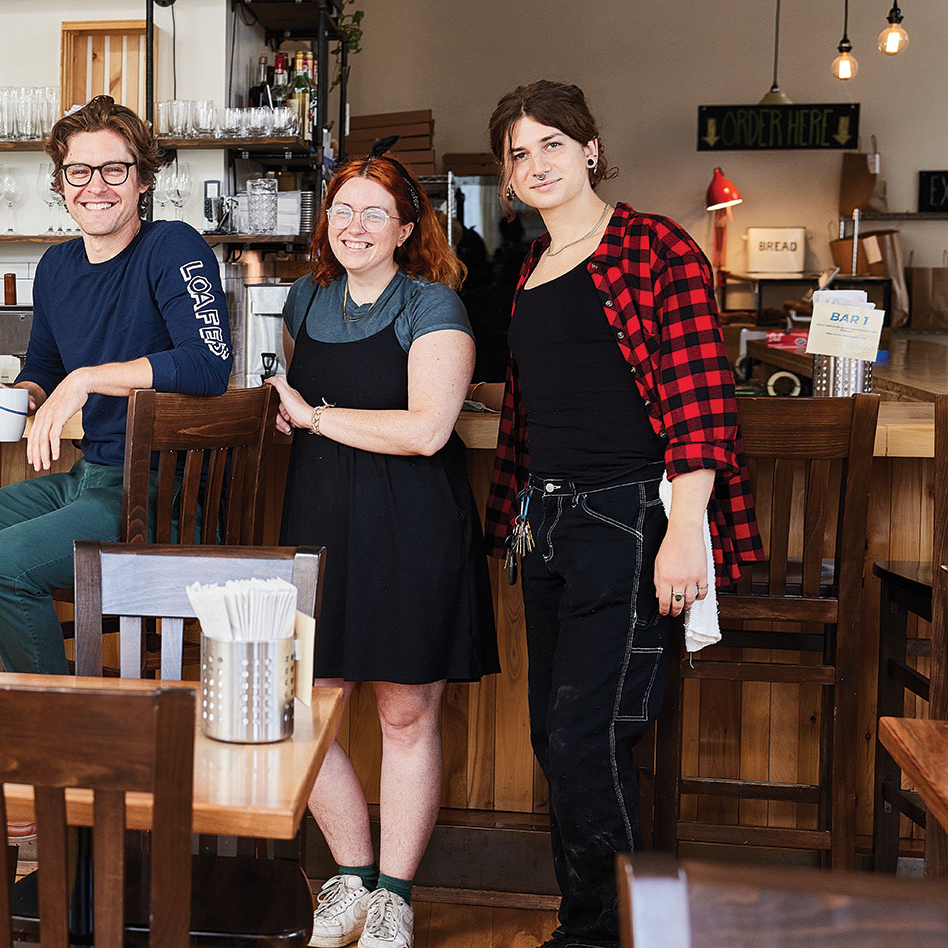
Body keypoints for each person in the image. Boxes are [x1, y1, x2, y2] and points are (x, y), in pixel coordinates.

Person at [473, 80, 761, 948]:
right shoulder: (530, 267)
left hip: (632, 519)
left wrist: (683, 528)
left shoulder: (652, 247)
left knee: (591, 740)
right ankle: (590, 922)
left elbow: (703, 399)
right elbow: (544, 396)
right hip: (551, 523)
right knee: (553, 739)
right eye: (519, 154)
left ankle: (612, 936)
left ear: (590, 148)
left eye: (552, 144)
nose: (536, 164)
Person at [0, 94, 233, 676]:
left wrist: (89, 379)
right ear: (61, 181)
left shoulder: (172, 246)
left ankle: (56, 719)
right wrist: (17, 395)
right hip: (86, 482)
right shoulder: (56, 267)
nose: (94, 186)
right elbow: (44, 369)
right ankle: (58, 690)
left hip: (161, 495)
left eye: (114, 170)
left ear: (143, 179)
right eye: (78, 171)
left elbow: (207, 365)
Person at [265, 154, 499, 948]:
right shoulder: (305, 297)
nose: (354, 226)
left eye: (374, 213)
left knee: (404, 711)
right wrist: (290, 418)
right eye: (341, 210)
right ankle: (352, 877)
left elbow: (429, 428)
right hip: (319, 515)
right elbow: (286, 408)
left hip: (412, 524)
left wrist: (314, 415)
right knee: (309, 705)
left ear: (407, 228)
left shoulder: (432, 303)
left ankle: (395, 896)